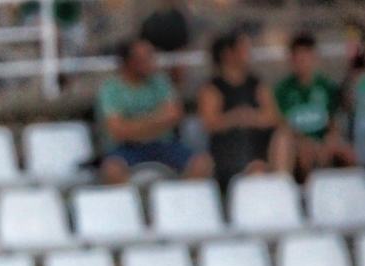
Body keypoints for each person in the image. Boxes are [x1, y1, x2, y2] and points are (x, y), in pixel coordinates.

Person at [97, 38, 213, 184]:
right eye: (145, 59)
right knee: (111, 171)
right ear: (129, 62)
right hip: (127, 148)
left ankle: (176, 202)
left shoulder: (160, 82)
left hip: (163, 144)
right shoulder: (111, 89)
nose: (152, 62)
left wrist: (134, 126)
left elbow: (175, 114)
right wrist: (157, 120)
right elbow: (118, 130)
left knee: (202, 164)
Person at [198, 31, 285, 187]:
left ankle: (281, 185)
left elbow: (274, 116)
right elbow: (210, 124)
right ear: (228, 54)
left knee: (282, 137)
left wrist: (249, 117)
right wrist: (235, 117)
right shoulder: (212, 89)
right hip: (229, 151)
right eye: (243, 49)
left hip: (258, 147)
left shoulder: (257, 84)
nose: (248, 54)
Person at [274, 32, 357, 178]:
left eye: (305, 58)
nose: (302, 63)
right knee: (304, 153)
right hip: (298, 142)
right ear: (291, 60)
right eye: (298, 58)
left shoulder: (327, 87)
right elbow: (282, 124)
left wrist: (328, 140)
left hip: (323, 140)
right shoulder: (282, 90)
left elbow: (334, 122)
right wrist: (303, 141)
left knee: (348, 153)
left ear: (314, 57)